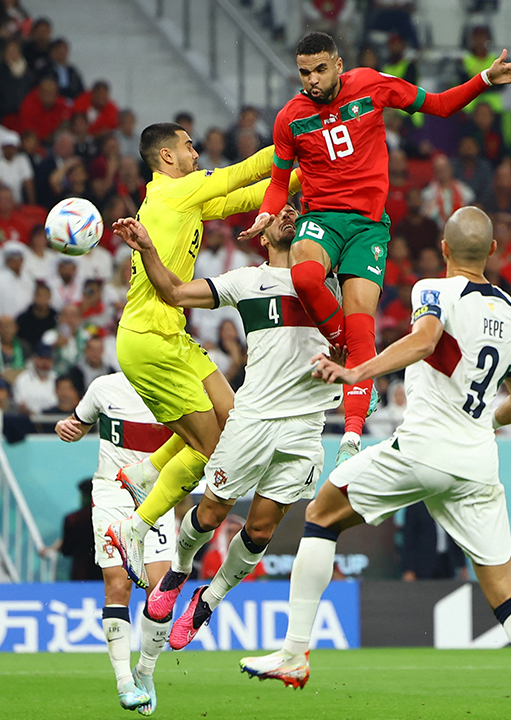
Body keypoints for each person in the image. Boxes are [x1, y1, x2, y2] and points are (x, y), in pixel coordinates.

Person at [239, 207, 511, 720]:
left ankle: (294, 653)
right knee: (505, 592)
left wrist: (357, 372)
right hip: (477, 462)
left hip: (422, 449)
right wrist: (482, 422)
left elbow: (425, 340)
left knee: (321, 515)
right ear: (493, 253)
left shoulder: (431, 290)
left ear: (443, 249)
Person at [239, 31, 511, 463]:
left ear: (339, 65)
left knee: (363, 331)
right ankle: (344, 345)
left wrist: (485, 80)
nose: (312, 80)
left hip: (368, 228)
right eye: (304, 72)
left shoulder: (373, 85)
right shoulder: (290, 118)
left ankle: (352, 438)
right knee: (304, 276)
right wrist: (268, 213)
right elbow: (279, 183)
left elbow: (439, 105)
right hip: (321, 219)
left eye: (320, 69)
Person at [109, 206, 344, 648]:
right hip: (252, 418)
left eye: (296, 210)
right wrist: (150, 251)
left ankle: (208, 601)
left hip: (307, 425)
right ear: (262, 233)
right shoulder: (246, 280)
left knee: (258, 531)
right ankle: (178, 572)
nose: (289, 214)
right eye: (280, 212)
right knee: (212, 512)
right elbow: (176, 293)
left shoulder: (331, 282)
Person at [101, 119, 302, 590]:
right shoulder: (175, 192)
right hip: (149, 341)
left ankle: (144, 473)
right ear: (167, 157)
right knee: (213, 452)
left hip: (171, 335)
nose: (197, 153)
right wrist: (304, 143)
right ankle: (134, 527)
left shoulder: (180, 196)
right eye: (190, 147)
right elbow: (245, 171)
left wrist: (305, 177)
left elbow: (249, 197)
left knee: (229, 419)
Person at [52, 372, 179, 714]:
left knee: (162, 590)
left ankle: (145, 670)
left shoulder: (178, 380)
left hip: (158, 494)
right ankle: (124, 681)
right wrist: (66, 428)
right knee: (117, 585)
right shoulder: (104, 387)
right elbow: (77, 425)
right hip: (112, 492)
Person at [48, 479, 101, 581]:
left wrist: (58, 546)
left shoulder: (73, 519)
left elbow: (67, 550)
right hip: (103, 572)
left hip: (81, 573)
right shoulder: (108, 519)